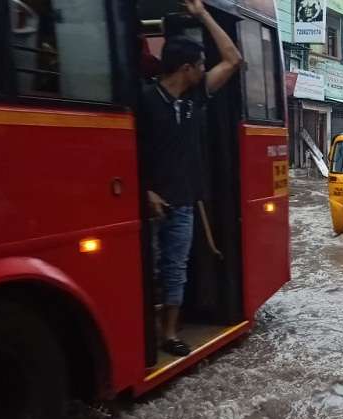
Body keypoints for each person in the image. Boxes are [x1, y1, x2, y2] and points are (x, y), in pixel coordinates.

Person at [140, 0, 243, 357]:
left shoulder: (195, 98)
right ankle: (148, 331)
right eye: (201, 65)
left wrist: (202, 15)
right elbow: (126, 153)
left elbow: (234, 60)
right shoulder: (144, 101)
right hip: (149, 205)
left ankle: (169, 334)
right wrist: (145, 190)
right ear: (186, 68)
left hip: (182, 201)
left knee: (175, 269)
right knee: (148, 271)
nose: (205, 70)